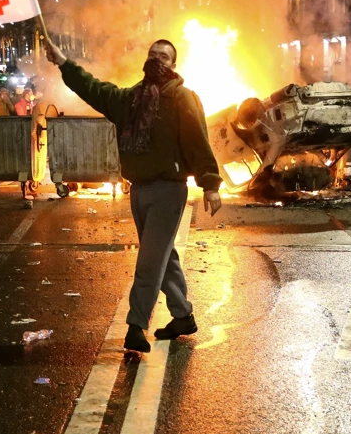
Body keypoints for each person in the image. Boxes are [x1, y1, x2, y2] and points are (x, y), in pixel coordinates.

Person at [44, 35, 222, 353]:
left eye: (164, 56)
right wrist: (63, 63)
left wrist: (210, 185)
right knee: (163, 257)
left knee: (150, 261)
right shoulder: (131, 99)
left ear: (174, 64)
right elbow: (95, 89)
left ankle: (136, 326)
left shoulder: (183, 98)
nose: (157, 59)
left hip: (169, 190)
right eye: (153, 54)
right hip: (139, 190)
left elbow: (198, 140)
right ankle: (182, 316)